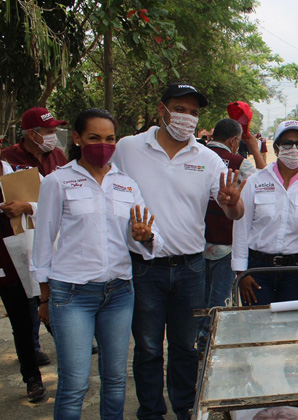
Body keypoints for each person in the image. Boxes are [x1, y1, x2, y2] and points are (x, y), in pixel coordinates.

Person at [111, 82, 245, 420]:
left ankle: (184, 407)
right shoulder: (128, 148)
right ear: (162, 110)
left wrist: (233, 202)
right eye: (180, 110)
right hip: (144, 266)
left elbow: (233, 211)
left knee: (185, 345)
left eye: (193, 112)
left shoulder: (208, 159)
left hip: (191, 268)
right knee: (147, 347)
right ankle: (151, 411)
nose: (187, 117)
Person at [32, 108, 163, 419]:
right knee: (74, 384)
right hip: (71, 295)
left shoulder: (126, 184)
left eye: (110, 139)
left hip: (119, 293)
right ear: (78, 139)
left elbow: (148, 237)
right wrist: (44, 296)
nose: (103, 145)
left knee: (116, 381)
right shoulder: (58, 181)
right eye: (94, 138)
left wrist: (144, 236)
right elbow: (43, 241)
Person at [234, 120, 298, 305]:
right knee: (258, 320)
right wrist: (242, 273)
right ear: (277, 147)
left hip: (297, 269)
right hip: (258, 268)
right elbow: (241, 228)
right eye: (287, 143)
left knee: (293, 322)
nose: (294, 149)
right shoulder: (256, 181)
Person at [2, 106, 67, 367]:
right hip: (22, 235)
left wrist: (31, 206)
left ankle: (65, 339)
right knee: (28, 292)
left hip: (55, 233)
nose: (52, 136)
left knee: (55, 289)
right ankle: (33, 346)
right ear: (31, 133)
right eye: (47, 131)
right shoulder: (8, 159)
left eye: (54, 130)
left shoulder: (58, 155)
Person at [197, 118, 264, 353]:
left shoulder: (197, 156)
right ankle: (208, 343)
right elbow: (265, 181)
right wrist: (255, 149)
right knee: (219, 298)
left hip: (195, 243)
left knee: (199, 296)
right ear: (234, 141)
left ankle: (198, 338)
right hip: (226, 242)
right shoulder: (238, 163)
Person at [0, 148, 46, 403]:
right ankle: (32, 378)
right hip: (5, 265)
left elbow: (52, 205)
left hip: (32, 255)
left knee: (52, 314)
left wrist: (27, 206)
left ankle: (73, 372)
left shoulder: (21, 175)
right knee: (21, 323)